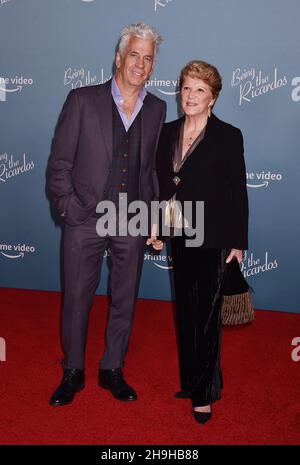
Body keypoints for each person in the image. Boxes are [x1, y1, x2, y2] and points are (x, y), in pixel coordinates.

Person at [47, 23, 166, 406]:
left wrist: (152, 219)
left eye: (147, 58)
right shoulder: (82, 100)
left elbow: (150, 171)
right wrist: (68, 207)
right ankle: (73, 370)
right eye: (134, 55)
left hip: (131, 216)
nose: (140, 64)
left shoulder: (158, 108)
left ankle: (112, 367)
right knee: (77, 297)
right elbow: (59, 163)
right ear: (119, 58)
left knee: (125, 298)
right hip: (85, 214)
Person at [156, 60, 249, 424]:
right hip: (180, 232)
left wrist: (238, 241)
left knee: (207, 317)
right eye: (186, 88)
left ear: (212, 97)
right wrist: (158, 228)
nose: (190, 96)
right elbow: (163, 185)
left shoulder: (228, 135)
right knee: (186, 311)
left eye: (199, 90)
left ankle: (205, 393)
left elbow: (237, 192)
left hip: (213, 237)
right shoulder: (168, 131)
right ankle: (192, 380)